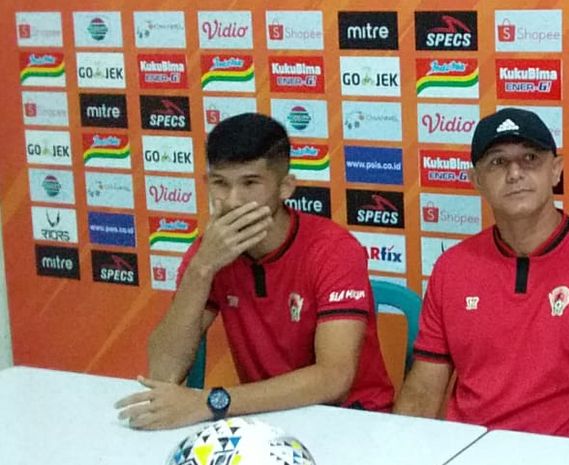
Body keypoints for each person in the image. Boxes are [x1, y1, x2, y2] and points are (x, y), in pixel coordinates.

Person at [116, 113, 394, 429]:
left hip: (352, 420)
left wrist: (212, 402)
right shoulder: (211, 250)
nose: (233, 201)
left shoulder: (333, 249)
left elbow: (333, 379)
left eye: (250, 183)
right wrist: (201, 268)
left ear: (286, 187)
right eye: (221, 183)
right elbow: (162, 372)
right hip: (263, 421)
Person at [394, 107, 569, 443]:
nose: (515, 172)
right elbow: (423, 391)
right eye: (498, 162)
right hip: (469, 453)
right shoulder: (452, 268)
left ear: (556, 171)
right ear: (477, 181)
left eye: (530, 158)